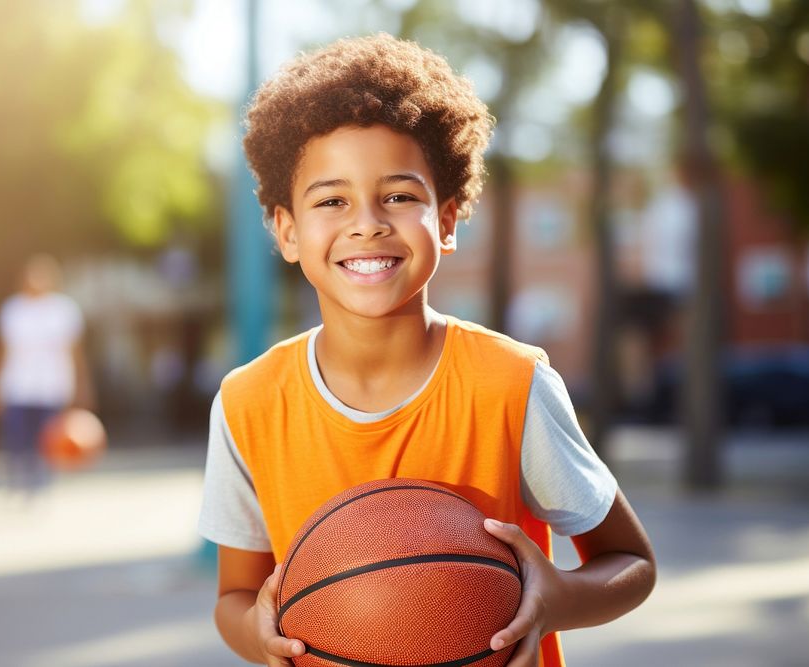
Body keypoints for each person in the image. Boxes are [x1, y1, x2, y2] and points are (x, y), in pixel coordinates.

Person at [198, 34, 655, 667]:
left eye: (399, 196)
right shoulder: (249, 403)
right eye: (332, 200)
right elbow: (235, 597)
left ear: (447, 218)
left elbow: (631, 562)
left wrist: (560, 596)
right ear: (286, 230)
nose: (368, 222)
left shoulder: (510, 384)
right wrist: (260, 634)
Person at [0, 254, 94, 497]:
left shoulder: (64, 310)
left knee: (47, 441)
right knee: (16, 439)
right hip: (18, 386)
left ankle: (41, 484)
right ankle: (18, 482)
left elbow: (76, 353)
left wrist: (82, 386)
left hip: (51, 387)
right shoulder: (13, 309)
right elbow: (1, 350)